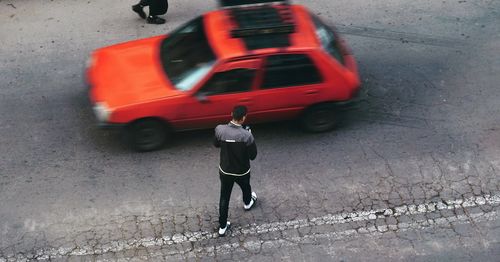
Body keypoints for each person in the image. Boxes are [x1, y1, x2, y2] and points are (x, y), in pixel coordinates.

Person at [214, 105, 258, 237]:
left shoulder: (219, 129)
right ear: (243, 118)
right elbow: (253, 156)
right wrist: (249, 135)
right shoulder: (246, 135)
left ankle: (222, 226)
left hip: (225, 171)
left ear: (231, 113)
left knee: (224, 197)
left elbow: (216, 144)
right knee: (246, 187)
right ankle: (247, 202)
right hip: (241, 171)